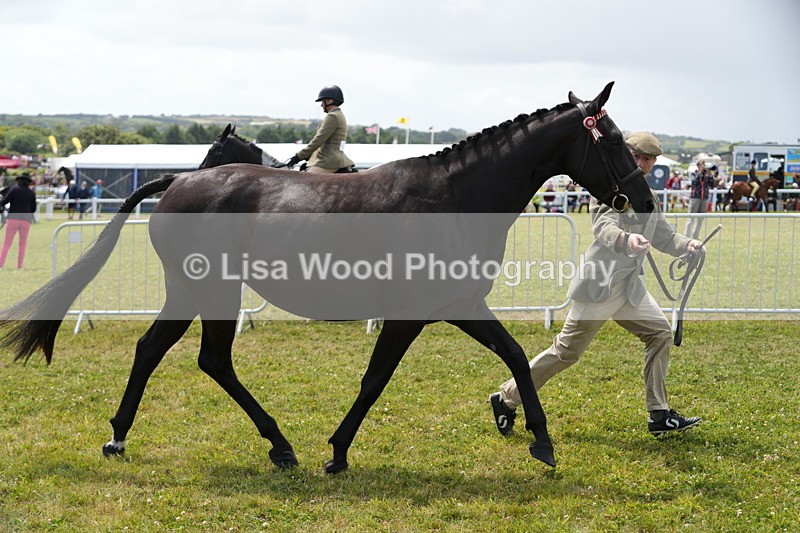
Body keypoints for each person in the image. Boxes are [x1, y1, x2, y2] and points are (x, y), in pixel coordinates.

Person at [488, 132, 704, 438]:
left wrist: (689, 245)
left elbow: (665, 236)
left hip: (629, 289)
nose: (641, 164)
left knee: (660, 334)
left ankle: (659, 413)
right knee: (565, 353)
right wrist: (625, 239)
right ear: (625, 155)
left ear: (654, 162)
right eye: (636, 157)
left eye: (647, 158)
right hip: (600, 286)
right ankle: (507, 398)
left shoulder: (648, 197)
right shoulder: (610, 189)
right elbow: (604, 225)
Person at [286, 85, 355, 174]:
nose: (321, 104)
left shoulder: (333, 116)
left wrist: (299, 156)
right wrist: (309, 157)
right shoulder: (338, 114)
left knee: (306, 182)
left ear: (330, 101)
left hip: (328, 161)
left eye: (323, 101)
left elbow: (318, 140)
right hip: (328, 158)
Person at [0, 173, 37, 269]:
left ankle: (1, 264)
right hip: (26, 219)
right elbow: (33, 209)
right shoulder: (31, 193)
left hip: (13, 218)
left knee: (7, 243)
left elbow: (5, 201)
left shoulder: (14, 189)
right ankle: (20, 266)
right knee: (22, 243)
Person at [685, 160, 714, 239]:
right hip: (695, 197)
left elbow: (712, 184)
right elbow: (694, 183)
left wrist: (710, 174)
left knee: (701, 219)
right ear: (698, 166)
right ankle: (687, 235)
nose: (703, 166)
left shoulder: (707, 175)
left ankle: (695, 235)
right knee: (691, 218)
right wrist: (699, 173)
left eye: (704, 165)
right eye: (701, 165)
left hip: (704, 197)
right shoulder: (694, 174)